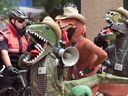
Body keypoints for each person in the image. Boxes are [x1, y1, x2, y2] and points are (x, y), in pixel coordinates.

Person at [0, 9, 29, 91]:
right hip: (7, 71)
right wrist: (9, 67)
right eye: (20, 20)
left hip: (22, 70)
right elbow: (4, 52)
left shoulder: (25, 35)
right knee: (6, 92)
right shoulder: (4, 34)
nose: (23, 23)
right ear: (13, 21)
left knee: (23, 92)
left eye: (24, 21)